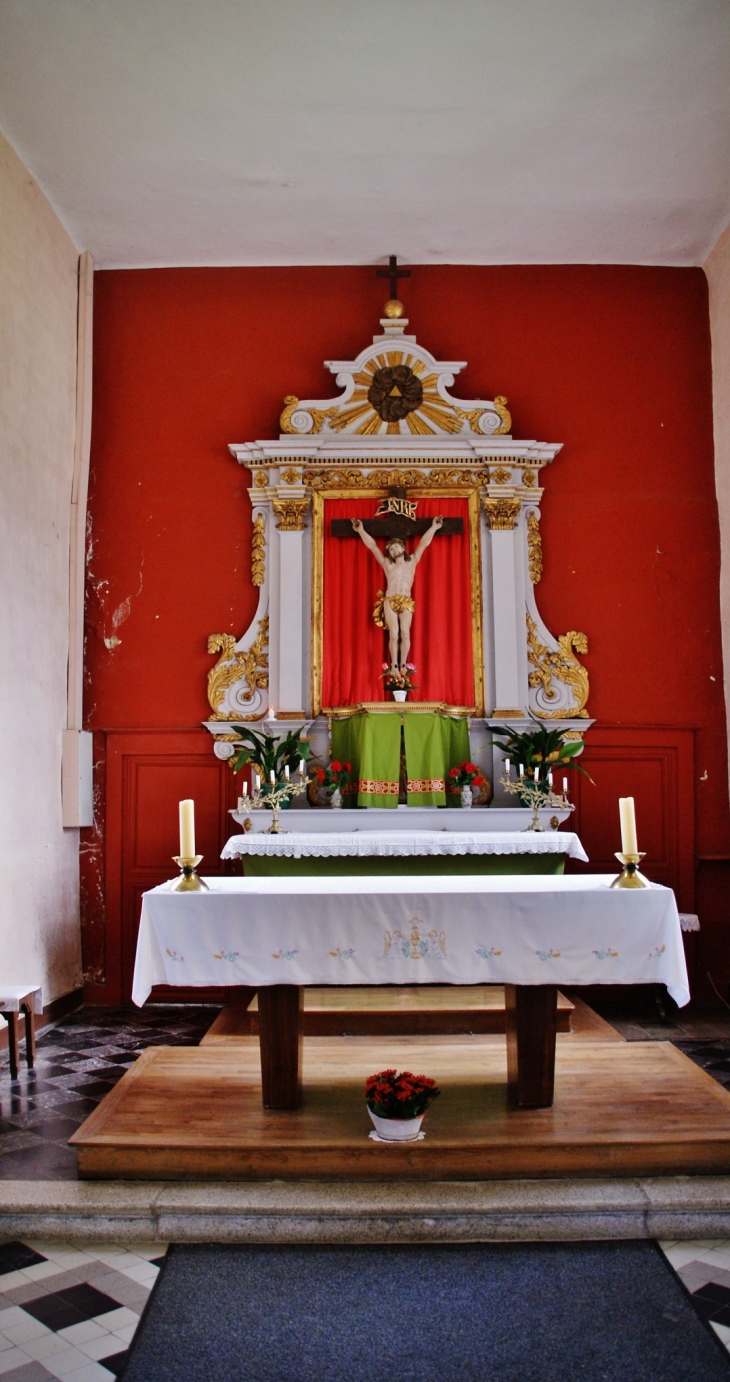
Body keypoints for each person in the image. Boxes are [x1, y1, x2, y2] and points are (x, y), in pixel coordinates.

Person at [351, 515, 443, 671]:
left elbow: (423, 543)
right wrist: (361, 531)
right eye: (391, 550)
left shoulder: (412, 561)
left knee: (405, 633)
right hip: (390, 600)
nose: (393, 551)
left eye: (395, 547)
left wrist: (434, 527)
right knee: (394, 634)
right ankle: (394, 665)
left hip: (406, 599)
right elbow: (373, 547)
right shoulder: (387, 564)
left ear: (402, 548)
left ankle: (403, 665)